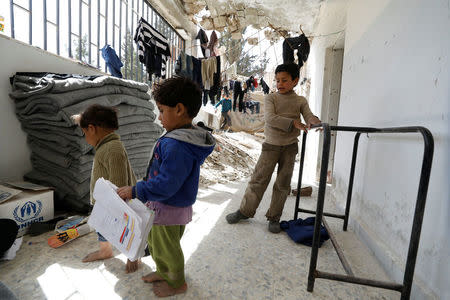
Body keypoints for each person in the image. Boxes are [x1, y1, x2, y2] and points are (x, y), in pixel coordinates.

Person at [117, 76, 215, 298]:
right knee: (158, 243)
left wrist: (136, 190)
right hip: (169, 205)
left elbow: (167, 184)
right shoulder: (182, 137)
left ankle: (177, 282)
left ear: (179, 109)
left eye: (162, 111)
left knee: (167, 248)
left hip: (168, 206)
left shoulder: (177, 145)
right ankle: (164, 272)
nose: (159, 117)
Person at [225, 63, 321, 233]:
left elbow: (308, 115)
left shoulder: (300, 100)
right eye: (277, 80)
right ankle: (245, 211)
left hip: (290, 148)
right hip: (271, 147)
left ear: (295, 81)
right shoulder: (271, 98)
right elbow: (270, 118)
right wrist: (293, 123)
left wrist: (313, 120)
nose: (280, 84)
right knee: (258, 180)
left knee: (283, 184)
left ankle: (274, 217)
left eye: (284, 80)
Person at [72, 104, 139, 273]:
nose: (85, 137)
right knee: (103, 225)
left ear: (92, 129)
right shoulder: (105, 146)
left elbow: (119, 183)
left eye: (84, 133)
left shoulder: (112, 148)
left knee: (126, 227)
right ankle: (105, 250)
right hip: (106, 201)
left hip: (117, 201)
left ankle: (132, 254)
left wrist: (115, 204)